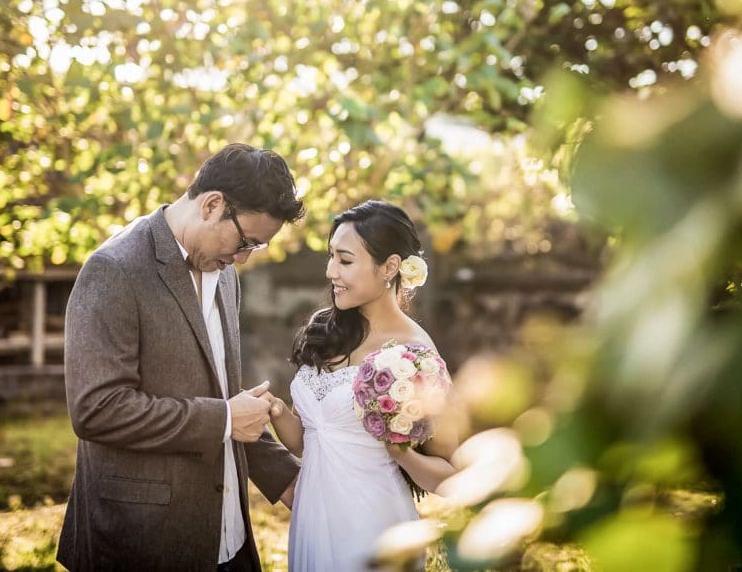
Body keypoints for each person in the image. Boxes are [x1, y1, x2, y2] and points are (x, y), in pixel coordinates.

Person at [57, 143, 304, 571]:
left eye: (256, 249)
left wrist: (284, 475)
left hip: (229, 539)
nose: (243, 259)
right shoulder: (113, 270)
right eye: (246, 242)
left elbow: (218, 393)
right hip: (143, 543)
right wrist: (225, 418)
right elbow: (96, 410)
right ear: (212, 204)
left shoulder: (224, 275)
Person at [264, 200, 457, 572]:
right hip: (311, 522)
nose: (331, 271)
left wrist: (402, 453)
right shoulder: (324, 330)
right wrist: (275, 410)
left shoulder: (415, 355)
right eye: (331, 256)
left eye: (345, 260)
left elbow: (451, 476)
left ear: (390, 267)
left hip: (374, 528)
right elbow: (311, 440)